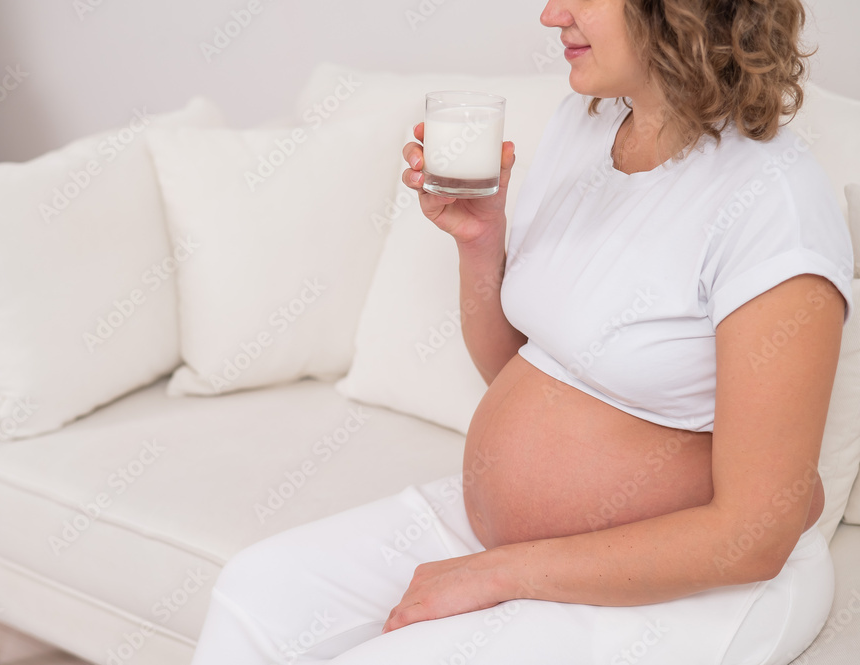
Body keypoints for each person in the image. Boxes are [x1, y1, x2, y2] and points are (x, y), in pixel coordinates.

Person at [190, 0, 855, 663]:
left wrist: (499, 573)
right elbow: (518, 371)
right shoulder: (584, 125)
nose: (550, 14)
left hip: (699, 582)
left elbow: (753, 534)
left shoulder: (773, 204)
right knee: (256, 593)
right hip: (522, 546)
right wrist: (480, 241)